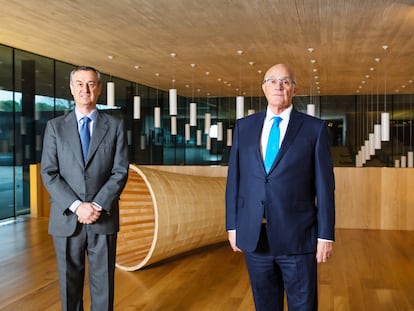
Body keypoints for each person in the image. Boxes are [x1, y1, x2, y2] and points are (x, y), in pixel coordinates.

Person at [225, 64, 335, 310]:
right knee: (265, 305)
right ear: (263, 88)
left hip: (298, 238)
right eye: (272, 81)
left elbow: (325, 187)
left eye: (285, 81)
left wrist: (325, 235)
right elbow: (235, 180)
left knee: (303, 306)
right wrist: (232, 225)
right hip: (255, 237)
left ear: (294, 89)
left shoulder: (314, 129)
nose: (278, 85)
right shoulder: (244, 127)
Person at [41, 66, 129, 311]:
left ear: (99, 89)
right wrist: (78, 206)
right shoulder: (55, 127)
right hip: (67, 217)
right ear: (71, 89)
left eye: (90, 84)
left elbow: (120, 171)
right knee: (69, 287)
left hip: (103, 217)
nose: (85, 89)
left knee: (104, 285)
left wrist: (96, 205)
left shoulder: (115, 126)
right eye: (79, 83)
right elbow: (49, 173)